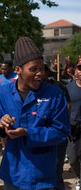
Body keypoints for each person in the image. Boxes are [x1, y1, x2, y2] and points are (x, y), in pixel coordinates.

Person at [0, 37, 70, 189]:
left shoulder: (54, 94)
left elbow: (61, 131)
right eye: (33, 69)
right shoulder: (3, 94)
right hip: (12, 173)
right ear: (18, 70)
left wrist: (28, 133)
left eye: (41, 68)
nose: (39, 73)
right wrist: (1, 124)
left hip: (41, 175)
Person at [43, 57, 71, 190]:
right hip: (41, 137)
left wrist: (62, 122)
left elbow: (68, 105)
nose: (39, 73)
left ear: (48, 73)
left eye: (42, 70)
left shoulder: (58, 87)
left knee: (57, 170)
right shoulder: (32, 89)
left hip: (58, 136)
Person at [66, 60, 81, 190]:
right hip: (73, 129)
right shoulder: (68, 88)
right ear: (76, 71)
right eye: (80, 68)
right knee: (73, 158)